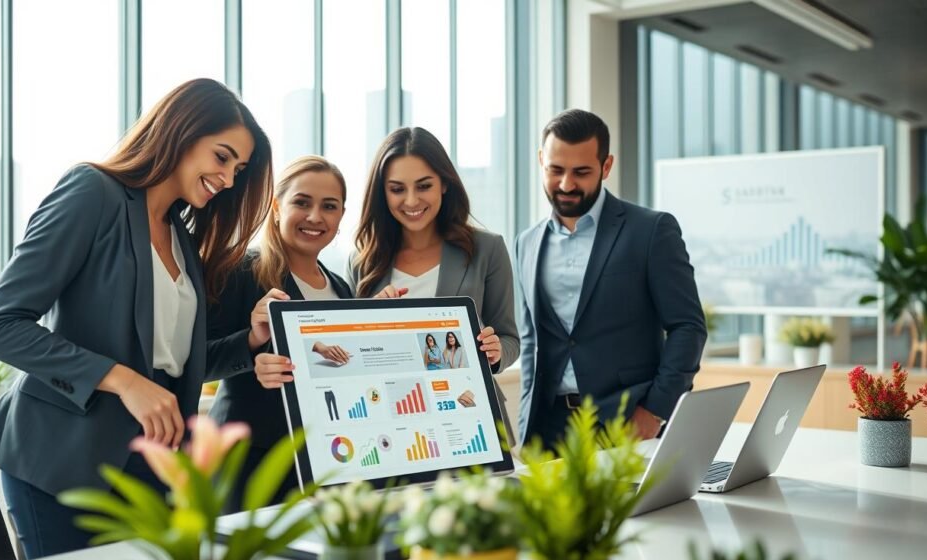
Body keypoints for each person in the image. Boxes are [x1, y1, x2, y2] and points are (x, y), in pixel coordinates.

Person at [0, 79, 274, 559]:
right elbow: (0, 325)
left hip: (148, 464)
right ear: (183, 131)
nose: (230, 179)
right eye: (222, 157)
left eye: (238, 168)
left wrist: (250, 343)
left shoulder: (181, 238)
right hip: (63, 458)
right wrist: (125, 381)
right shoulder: (93, 192)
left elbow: (172, 365)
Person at [208, 155, 400, 513]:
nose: (315, 217)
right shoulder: (240, 270)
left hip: (319, 462)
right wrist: (251, 343)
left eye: (329, 206)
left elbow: (339, 369)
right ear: (277, 207)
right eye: (302, 202)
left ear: (341, 217)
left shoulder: (341, 288)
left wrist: (378, 325)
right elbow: (200, 362)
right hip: (252, 463)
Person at [515, 108, 707, 447]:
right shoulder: (526, 242)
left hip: (625, 424)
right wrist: (525, 423)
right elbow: (531, 340)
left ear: (606, 166)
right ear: (540, 161)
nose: (566, 184)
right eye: (555, 170)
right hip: (547, 429)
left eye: (581, 172)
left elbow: (687, 327)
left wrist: (654, 412)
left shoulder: (651, 231)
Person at [348, 127, 518, 443]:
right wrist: (375, 322)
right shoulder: (362, 262)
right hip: (392, 423)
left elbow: (509, 338)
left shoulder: (487, 249)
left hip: (471, 416)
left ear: (444, 184)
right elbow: (354, 359)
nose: (411, 200)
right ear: (382, 193)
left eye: (423, 186)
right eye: (397, 189)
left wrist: (495, 353)